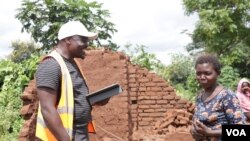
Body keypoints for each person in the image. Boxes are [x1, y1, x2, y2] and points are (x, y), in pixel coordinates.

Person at [35, 20, 108, 141]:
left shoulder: (72, 64)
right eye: (83, 40)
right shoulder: (51, 65)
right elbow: (47, 109)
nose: (86, 45)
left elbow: (73, 100)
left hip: (79, 132)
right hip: (63, 135)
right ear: (68, 40)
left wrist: (94, 101)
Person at [190, 54, 246, 141]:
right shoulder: (200, 96)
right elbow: (196, 123)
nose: (202, 77)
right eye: (198, 74)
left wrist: (209, 132)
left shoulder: (227, 96)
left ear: (218, 73)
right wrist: (194, 131)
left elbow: (241, 131)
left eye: (207, 73)